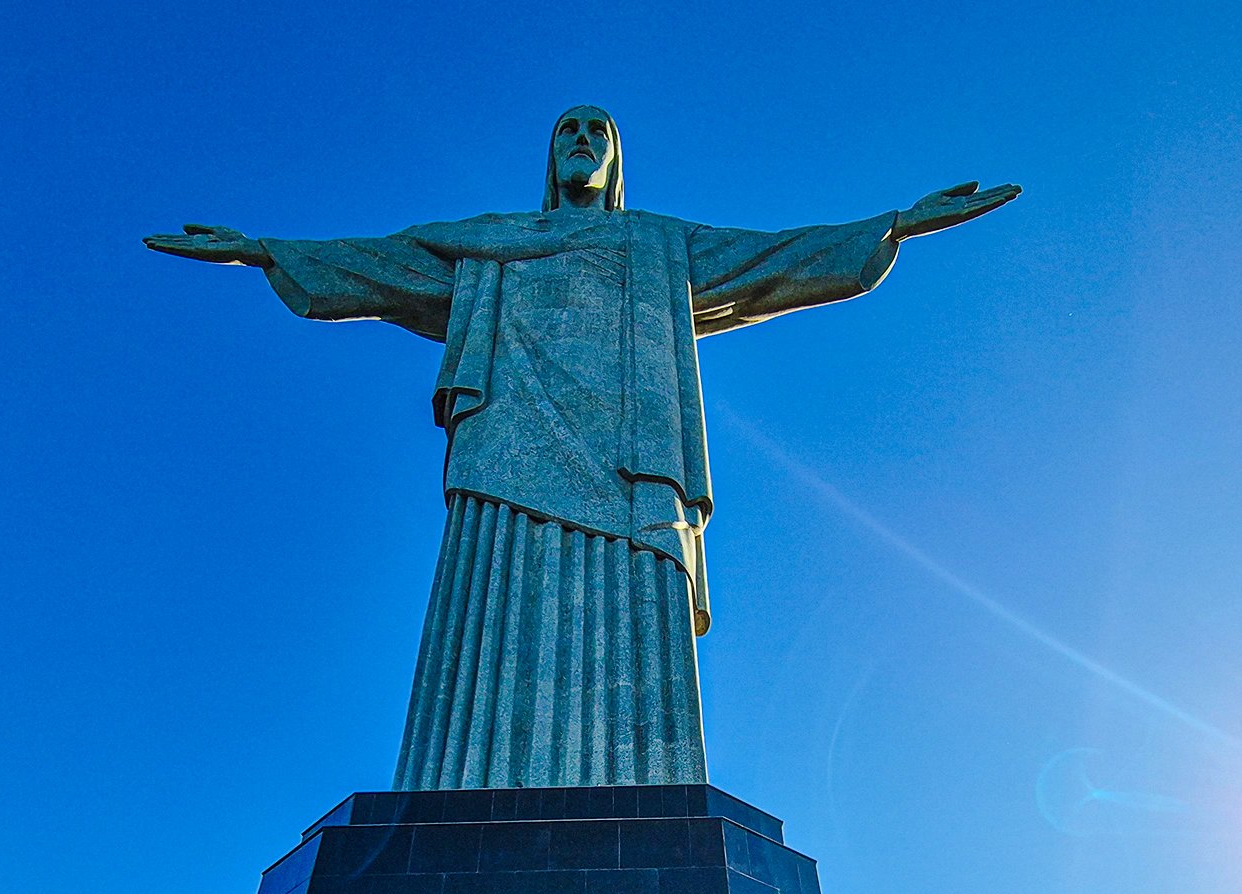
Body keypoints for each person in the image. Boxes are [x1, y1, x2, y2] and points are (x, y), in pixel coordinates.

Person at [147, 105, 1019, 789]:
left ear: (615, 160)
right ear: (549, 155)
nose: (581, 139)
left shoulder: (658, 244)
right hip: (503, 458)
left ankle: (642, 791)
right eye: (567, 128)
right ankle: (465, 788)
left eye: (597, 129)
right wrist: (266, 251)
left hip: (635, 469)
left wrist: (894, 226)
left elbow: (777, 259)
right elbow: (384, 264)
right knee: (490, 622)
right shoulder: (492, 240)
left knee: (637, 630)